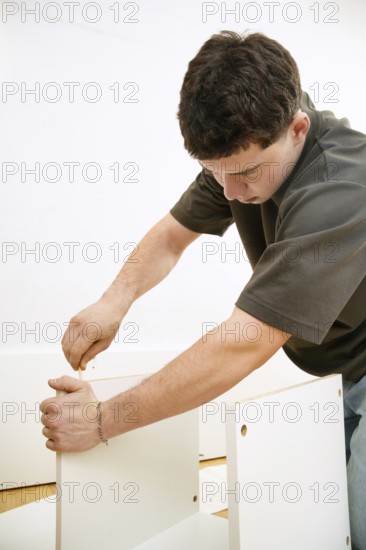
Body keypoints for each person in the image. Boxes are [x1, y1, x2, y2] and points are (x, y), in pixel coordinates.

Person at [40, 31, 366, 548]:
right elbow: (173, 235)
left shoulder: (343, 190)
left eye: (245, 173)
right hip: (337, 369)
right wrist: (113, 301)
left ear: (298, 128)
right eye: (214, 173)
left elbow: (246, 340)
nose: (231, 192)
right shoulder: (248, 146)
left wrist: (104, 421)